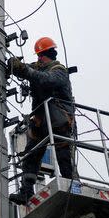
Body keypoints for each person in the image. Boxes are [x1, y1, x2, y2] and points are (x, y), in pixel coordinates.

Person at [7, 36, 75, 205]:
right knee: (31, 155)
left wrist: (26, 71)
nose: (38, 59)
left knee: (63, 154)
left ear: (48, 55)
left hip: (59, 118)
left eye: (40, 56)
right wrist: (13, 66)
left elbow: (46, 80)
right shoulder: (40, 68)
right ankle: (26, 191)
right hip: (41, 119)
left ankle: (73, 185)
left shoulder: (59, 70)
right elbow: (27, 70)